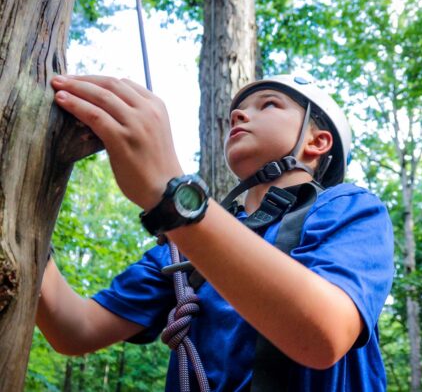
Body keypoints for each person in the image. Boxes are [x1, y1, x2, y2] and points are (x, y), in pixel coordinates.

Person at [38, 72, 394, 391]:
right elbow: (75, 329)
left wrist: (172, 197)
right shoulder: (183, 248)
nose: (238, 115)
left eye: (269, 104)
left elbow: (322, 336)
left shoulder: (350, 209)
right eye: (236, 113)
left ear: (317, 142)